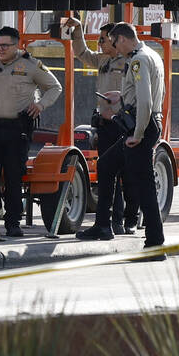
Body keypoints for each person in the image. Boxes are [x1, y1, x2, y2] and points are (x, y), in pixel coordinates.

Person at [77, 22, 167, 260]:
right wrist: (124, 97)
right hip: (145, 122)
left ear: (123, 39)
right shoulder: (152, 54)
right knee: (106, 165)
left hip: (141, 125)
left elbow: (145, 100)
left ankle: (155, 245)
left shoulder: (137, 60)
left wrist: (137, 134)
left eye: (114, 42)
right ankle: (103, 225)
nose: (114, 47)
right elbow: (151, 92)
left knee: (144, 184)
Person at [0, 26, 62, 237]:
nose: (0, 49)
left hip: (17, 128)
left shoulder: (30, 65)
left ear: (16, 45)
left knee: (13, 174)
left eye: (5, 45)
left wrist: (41, 105)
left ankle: (13, 222)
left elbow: (55, 87)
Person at [64, 16, 139, 235]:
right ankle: (114, 221)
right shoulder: (103, 60)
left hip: (126, 124)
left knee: (130, 174)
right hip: (106, 125)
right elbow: (82, 53)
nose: (101, 44)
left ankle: (131, 219)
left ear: (118, 40)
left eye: (104, 40)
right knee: (108, 174)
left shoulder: (132, 62)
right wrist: (78, 29)